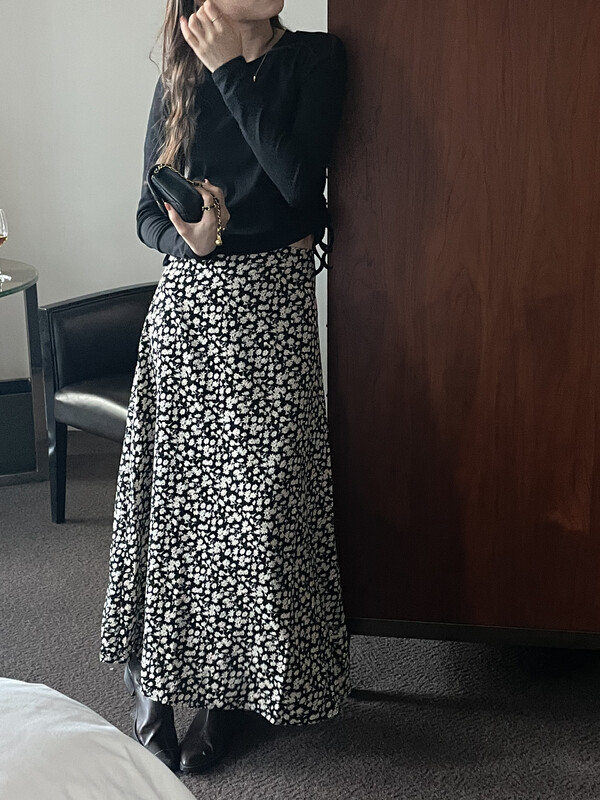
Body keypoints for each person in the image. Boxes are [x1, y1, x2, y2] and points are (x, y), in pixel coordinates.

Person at [99, 0, 349, 776]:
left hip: (273, 315)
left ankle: (231, 697)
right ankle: (154, 690)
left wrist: (230, 72)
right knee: (175, 512)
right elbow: (146, 214)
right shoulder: (179, 71)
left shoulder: (315, 60)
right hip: (188, 312)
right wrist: (190, 240)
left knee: (259, 513)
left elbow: (299, 187)